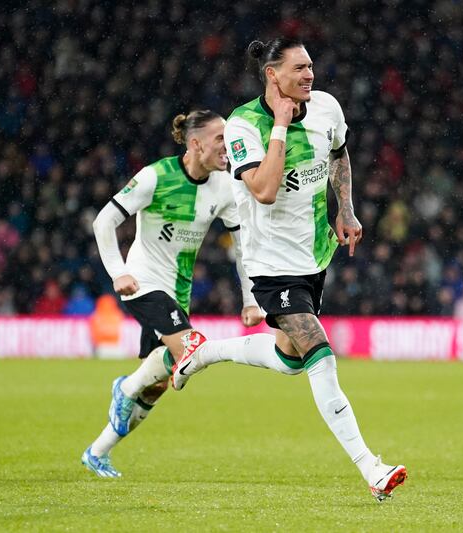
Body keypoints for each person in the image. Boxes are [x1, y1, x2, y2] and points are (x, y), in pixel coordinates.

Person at [172, 38, 407, 501]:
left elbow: (339, 154)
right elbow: (262, 189)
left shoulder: (326, 109)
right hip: (270, 263)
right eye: (298, 68)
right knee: (318, 350)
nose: (309, 75)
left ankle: (204, 353)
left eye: (311, 66)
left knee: (289, 358)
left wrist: (347, 209)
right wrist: (279, 125)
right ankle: (371, 468)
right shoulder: (244, 125)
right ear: (272, 75)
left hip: (314, 254)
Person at [82, 110, 270, 477]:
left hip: (176, 293)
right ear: (195, 144)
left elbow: (242, 248)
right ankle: (124, 388)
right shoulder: (156, 176)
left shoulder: (225, 187)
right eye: (220, 139)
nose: (227, 147)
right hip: (142, 282)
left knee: (158, 386)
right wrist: (118, 272)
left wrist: (250, 300)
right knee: (189, 350)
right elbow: (103, 221)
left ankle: (97, 451)